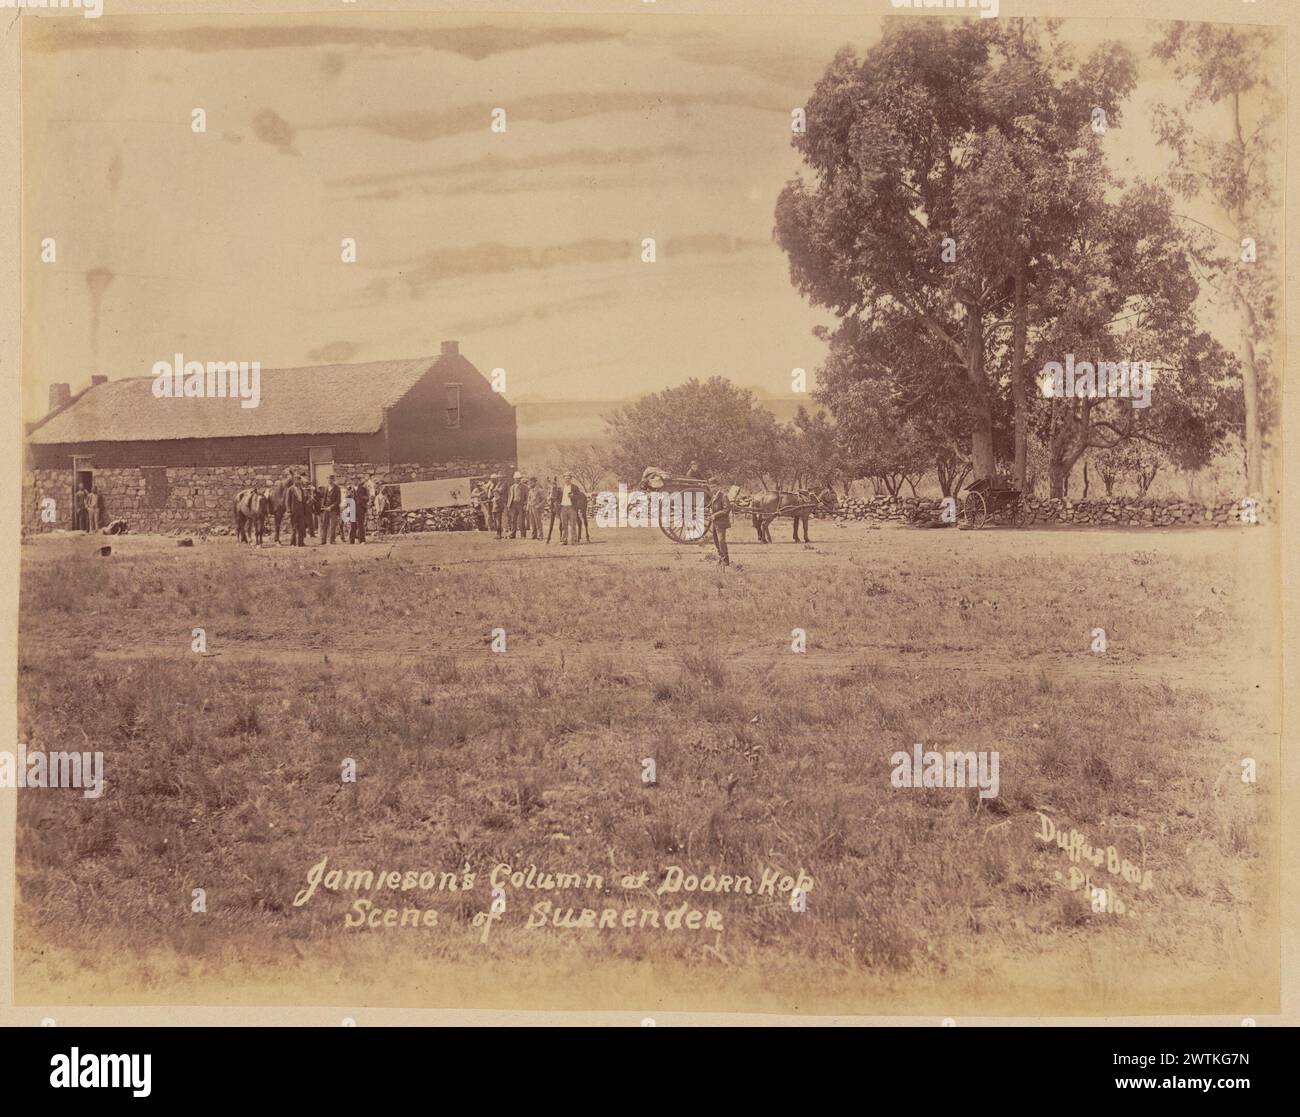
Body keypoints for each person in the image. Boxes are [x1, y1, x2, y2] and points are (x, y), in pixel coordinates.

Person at [709, 484, 736, 568]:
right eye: (711, 487)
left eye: (713, 486)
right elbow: (712, 508)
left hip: (721, 522)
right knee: (716, 541)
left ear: (717, 486)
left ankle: (725, 560)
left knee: (721, 541)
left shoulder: (723, 496)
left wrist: (715, 515)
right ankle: (721, 558)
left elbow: (726, 509)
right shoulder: (713, 496)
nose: (712, 488)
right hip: (715, 523)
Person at [321, 474, 341, 545]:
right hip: (326, 509)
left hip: (333, 510)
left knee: (333, 525)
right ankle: (323, 541)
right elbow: (325, 497)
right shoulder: (326, 488)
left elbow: (338, 501)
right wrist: (323, 506)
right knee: (324, 525)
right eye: (328, 479)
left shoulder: (337, 488)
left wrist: (331, 507)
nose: (329, 481)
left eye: (331, 479)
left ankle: (332, 540)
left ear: (333, 480)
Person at [350, 478, 369, 543]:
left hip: (360, 508)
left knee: (361, 524)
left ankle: (362, 540)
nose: (355, 481)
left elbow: (367, 498)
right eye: (354, 480)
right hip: (352, 508)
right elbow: (347, 499)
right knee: (352, 525)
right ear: (352, 481)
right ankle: (351, 541)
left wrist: (362, 497)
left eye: (356, 480)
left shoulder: (363, 489)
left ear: (358, 481)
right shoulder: (350, 489)